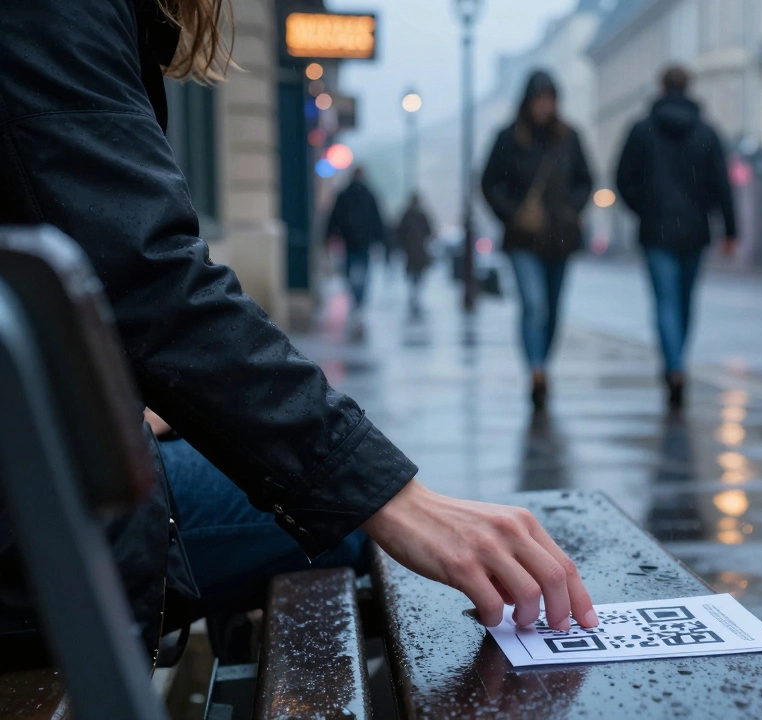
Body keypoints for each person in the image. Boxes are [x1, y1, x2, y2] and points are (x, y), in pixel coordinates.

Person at [0, 0, 598, 664]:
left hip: (39, 449)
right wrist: (385, 494)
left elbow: (95, 259)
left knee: (332, 507)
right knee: (345, 527)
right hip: (26, 503)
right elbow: (147, 281)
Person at [616, 66, 738, 410]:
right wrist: (730, 229)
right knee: (684, 301)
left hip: (656, 230)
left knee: (665, 302)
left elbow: (623, 178)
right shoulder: (706, 132)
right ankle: (677, 362)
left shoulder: (641, 131)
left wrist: (644, 207)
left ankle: (674, 366)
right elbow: (722, 183)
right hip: (695, 230)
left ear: (661, 87)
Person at [481, 70, 593, 412]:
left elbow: (585, 181)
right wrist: (512, 214)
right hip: (523, 239)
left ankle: (542, 362)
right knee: (534, 304)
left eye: (550, 98)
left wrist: (571, 210)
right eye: (539, 98)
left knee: (554, 309)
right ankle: (537, 371)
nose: (544, 105)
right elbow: (489, 183)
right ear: (528, 101)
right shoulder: (508, 137)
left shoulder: (570, 137)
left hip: (560, 238)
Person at [326, 166, 386, 313]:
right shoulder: (369, 195)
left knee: (348, 270)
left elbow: (334, 217)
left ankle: (355, 295)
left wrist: (329, 235)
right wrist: (380, 239)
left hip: (349, 241)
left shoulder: (344, 194)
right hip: (363, 241)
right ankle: (359, 298)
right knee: (364, 271)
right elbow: (377, 219)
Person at [396, 193, 435, 317]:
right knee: (418, 271)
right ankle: (415, 291)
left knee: (413, 271)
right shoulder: (421, 215)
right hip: (418, 249)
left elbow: (399, 231)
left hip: (410, 249)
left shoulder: (407, 214)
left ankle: (414, 291)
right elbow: (430, 231)